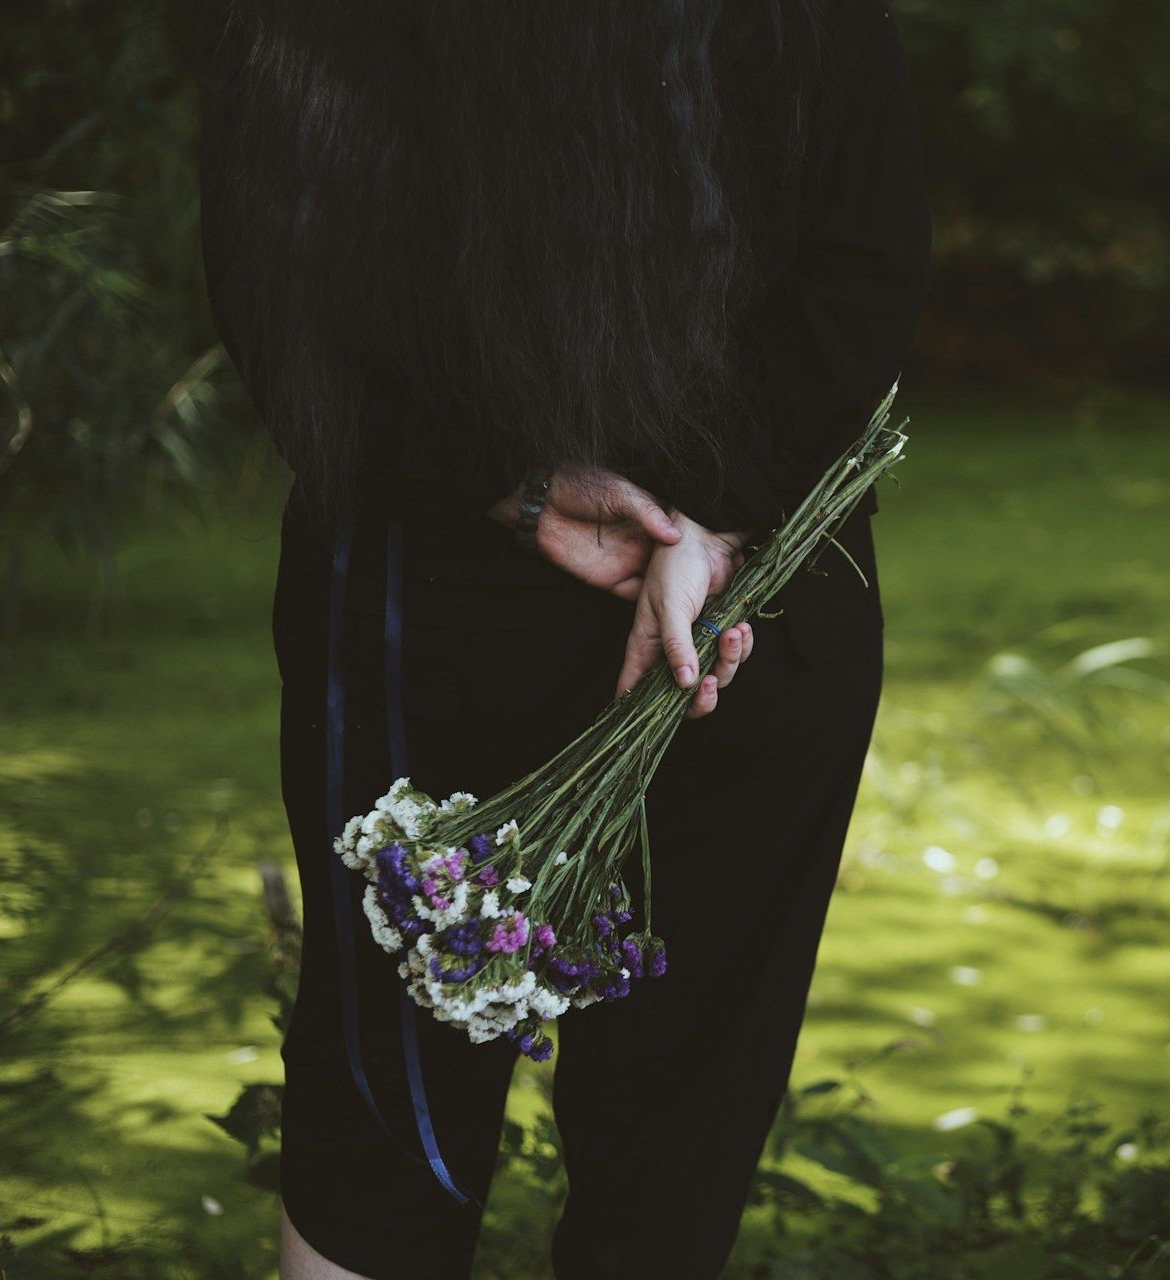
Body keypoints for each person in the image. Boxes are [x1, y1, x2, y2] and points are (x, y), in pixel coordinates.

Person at [195, 1, 931, 1275]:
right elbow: (866, 254)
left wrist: (554, 492)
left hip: (561, 573)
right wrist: (704, 517)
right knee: (662, 1156)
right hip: (731, 574)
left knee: (404, 1116)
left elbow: (293, 253)